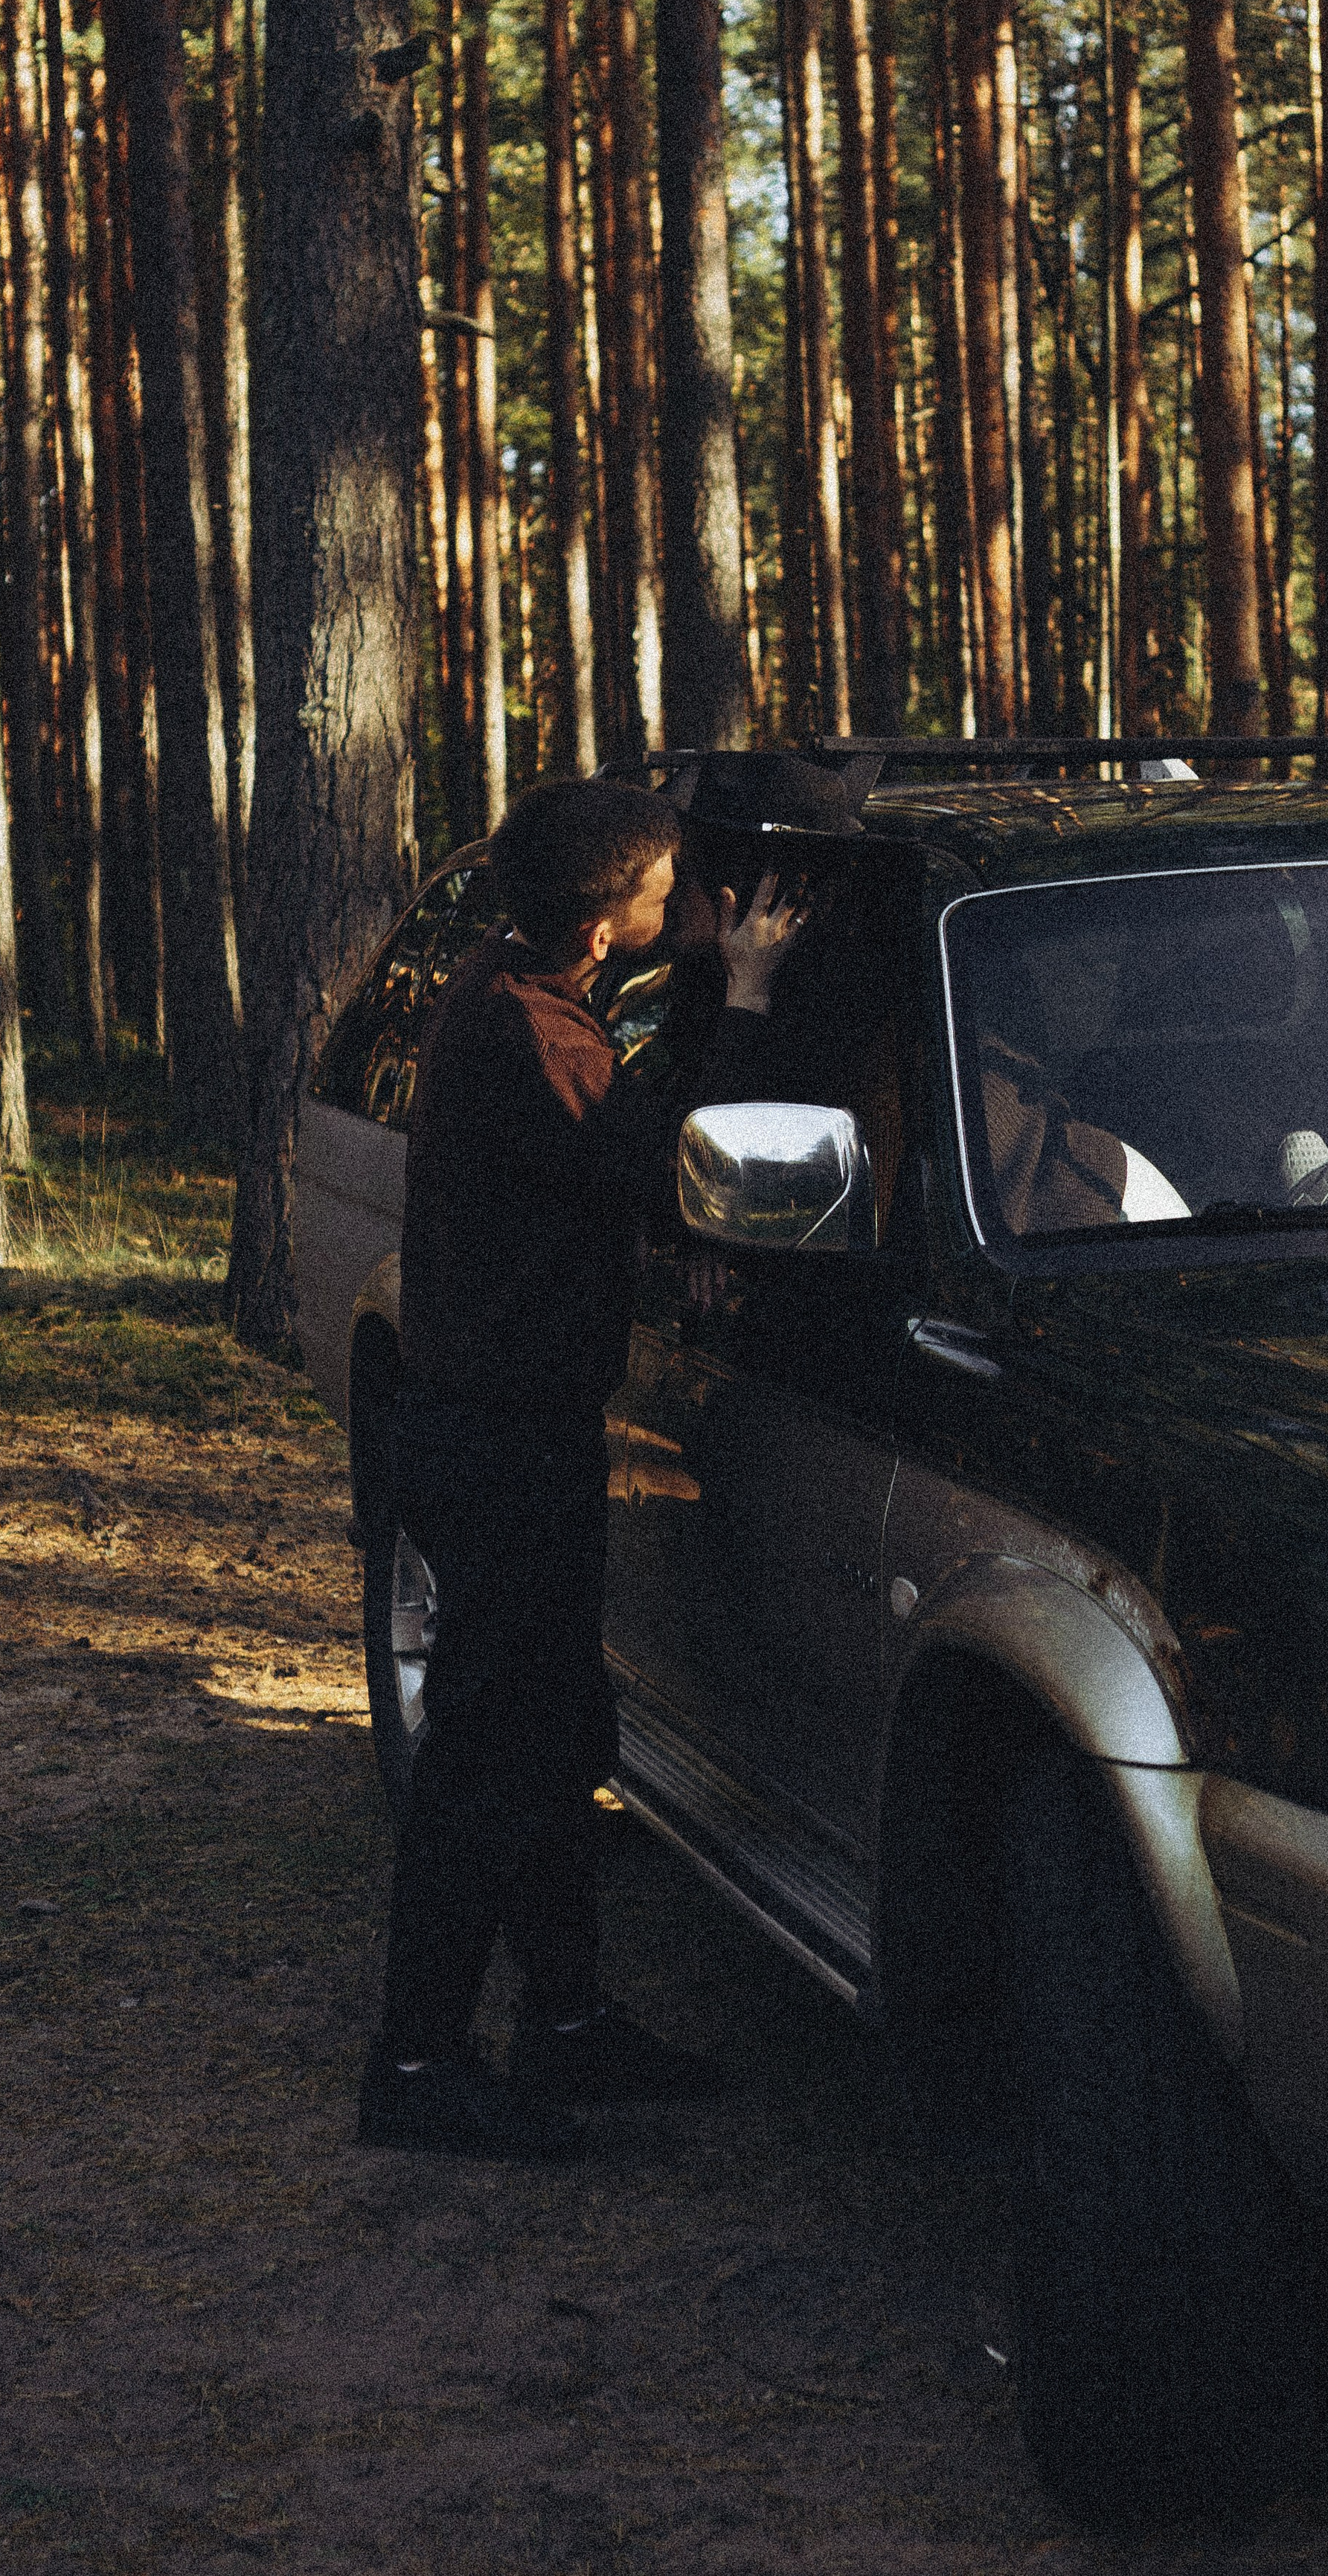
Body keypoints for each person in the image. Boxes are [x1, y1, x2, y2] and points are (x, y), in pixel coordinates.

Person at [357, 777, 806, 2158]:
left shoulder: (519, 982)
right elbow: (659, 1163)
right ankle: (418, 2068)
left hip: (500, 1426)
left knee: (553, 1736)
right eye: (667, 894)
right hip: (499, 1442)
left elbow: (608, 1103)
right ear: (605, 930)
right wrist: (740, 1000)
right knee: (490, 1757)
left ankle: (563, 2020)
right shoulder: (530, 1033)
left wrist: (688, 961)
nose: (691, 909)